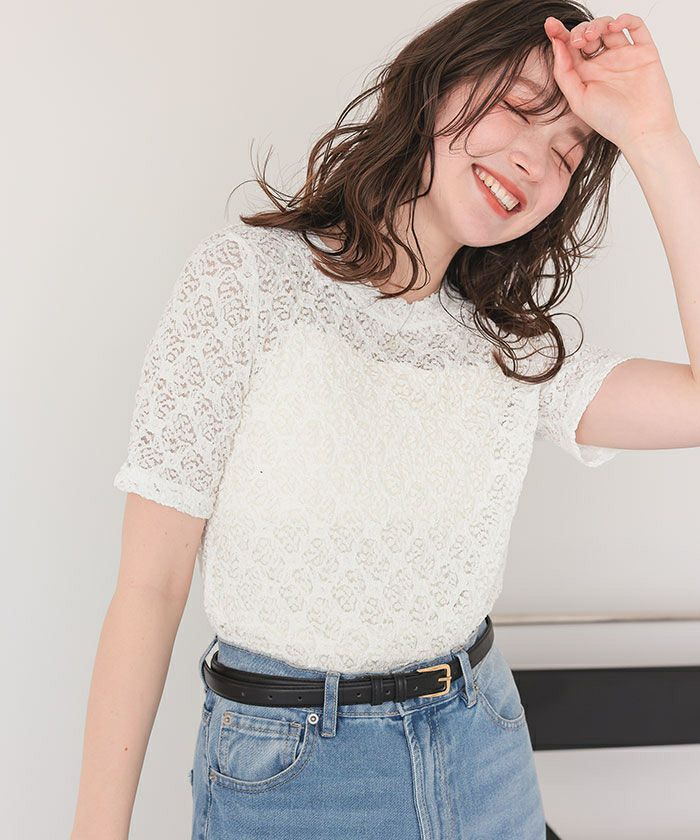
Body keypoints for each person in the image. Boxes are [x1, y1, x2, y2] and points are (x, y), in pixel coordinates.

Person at [71, 1, 699, 838]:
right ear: (437, 83)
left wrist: (655, 137)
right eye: (519, 107)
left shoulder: (510, 352)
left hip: (484, 755)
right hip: (292, 776)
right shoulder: (248, 281)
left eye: (566, 153)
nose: (533, 159)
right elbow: (150, 587)